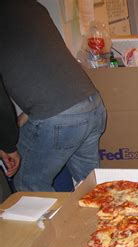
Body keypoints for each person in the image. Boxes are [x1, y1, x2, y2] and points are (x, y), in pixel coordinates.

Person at [0, 0, 106, 191]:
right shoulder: (30, 6)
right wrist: (27, 114)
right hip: (92, 103)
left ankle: (59, 222)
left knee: (28, 184)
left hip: (60, 117)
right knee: (91, 186)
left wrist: (7, 145)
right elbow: (45, 66)